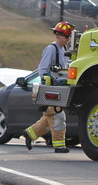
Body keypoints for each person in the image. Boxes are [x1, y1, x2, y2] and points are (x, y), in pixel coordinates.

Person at [22, 21, 75, 153]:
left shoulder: (65, 50)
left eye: (69, 37)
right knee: (58, 115)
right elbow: (42, 69)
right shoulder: (51, 49)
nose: (68, 40)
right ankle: (59, 145)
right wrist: (48, 80)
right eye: (67, 37)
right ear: (58, 35)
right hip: (51, 88)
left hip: (61, 88)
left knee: (50, 115)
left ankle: (30, 134)